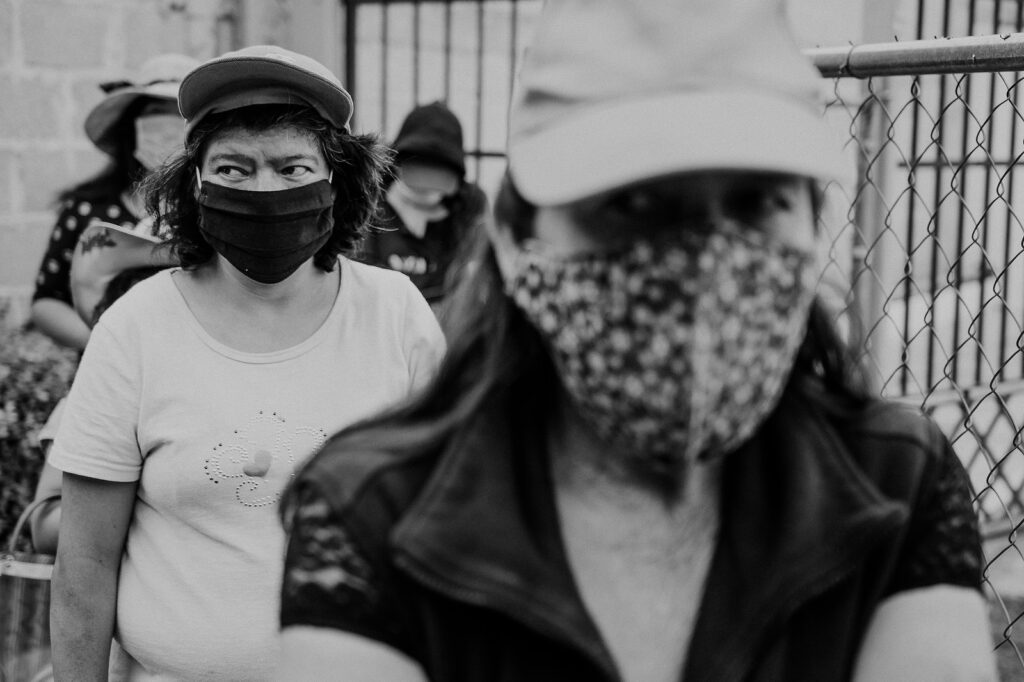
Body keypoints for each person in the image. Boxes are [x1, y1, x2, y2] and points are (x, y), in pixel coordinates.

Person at [276, 1, 997, 681]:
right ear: (516, 240)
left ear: (814, 224)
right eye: (631, 203)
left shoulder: (895, 483)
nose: (704, 264)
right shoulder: (377, 513)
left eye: (756, 201)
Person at [48, 45, 446, 681]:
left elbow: (448, 526)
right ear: (195, 186)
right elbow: (85, 564)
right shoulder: (136, 328)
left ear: (337, 184)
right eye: (233, 169)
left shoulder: (395, 315)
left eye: (293, 169)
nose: (264, 189)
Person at [29, 53, 196, 351]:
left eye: (180, 114)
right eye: (158, 110)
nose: (169, 125)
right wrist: (107, 347)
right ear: (133, 125)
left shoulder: (210, 209)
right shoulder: (86, 210)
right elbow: (47, 302)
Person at [358, 101, 488, 313]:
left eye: (439, 171)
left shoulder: (467, 209)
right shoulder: (369, 200)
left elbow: (471, 281)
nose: (426, 184)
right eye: (418, 165)